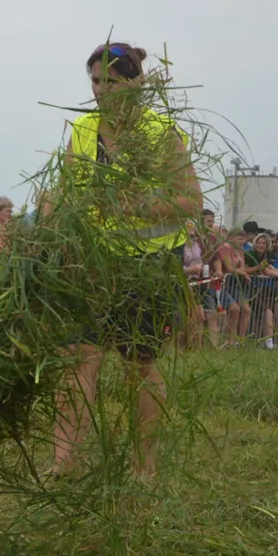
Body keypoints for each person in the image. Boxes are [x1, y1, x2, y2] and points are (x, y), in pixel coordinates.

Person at [47, 42, 201, 476]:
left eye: (110, 82)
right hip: (92, 264)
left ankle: (143, 467)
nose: (100, 90)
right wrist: (45, 232)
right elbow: (64, 194)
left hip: (148, 267)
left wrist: (138, 207)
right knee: (78, 357)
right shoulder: (82, 129)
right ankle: (63, 462)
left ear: (137, 83)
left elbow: (190, 200)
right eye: (94, 81)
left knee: (140, 366)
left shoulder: (160, 133)